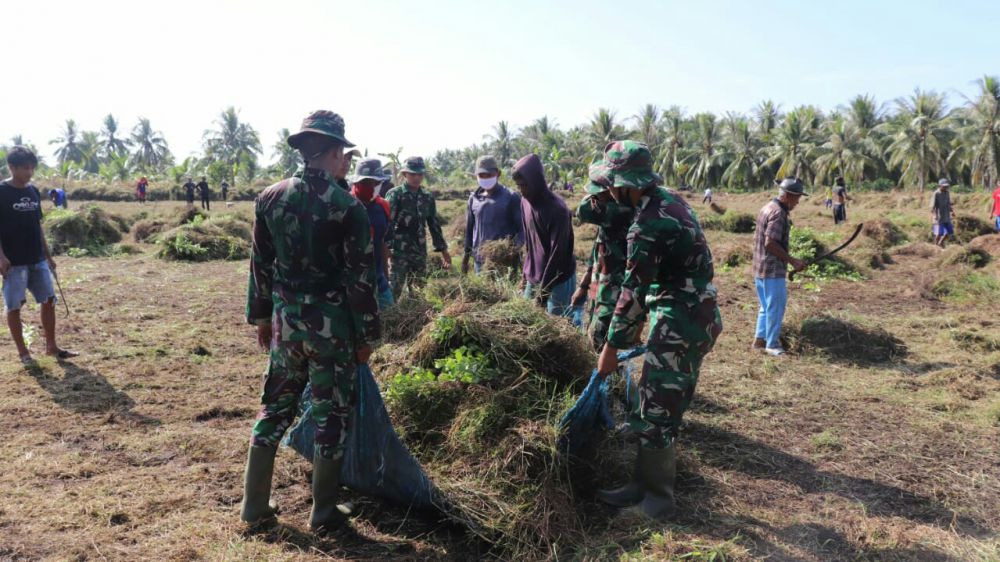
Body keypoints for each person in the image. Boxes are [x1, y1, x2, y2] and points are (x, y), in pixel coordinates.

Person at [240, 110, 380, 535]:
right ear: (335, 152)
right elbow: (361, 279)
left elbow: (259, 264)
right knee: (329, 415)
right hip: (332, 330)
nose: (346, 163)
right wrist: (367, 335)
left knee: (274, 408)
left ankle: (254, 507)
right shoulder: (348, 208)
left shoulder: (270, 197)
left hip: (285, 326)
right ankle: (323, 512)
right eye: (345, 155)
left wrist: (262, 317)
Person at [592, 140, 722, 520]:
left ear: (626, 184)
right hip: (690, 312)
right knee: (655, 403)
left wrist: (610, 350)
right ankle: (640, 484)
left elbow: (631, 293)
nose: (610, 191)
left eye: (613, 184)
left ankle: (658, 502)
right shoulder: (666, 199)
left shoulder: (647, 224)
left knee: (656, 408)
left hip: (681, 319)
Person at [0, 146, 78, 364]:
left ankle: (51, 347)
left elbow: (37, 225)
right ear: (12, 167)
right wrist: (1, 257)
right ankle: (24, 354)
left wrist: (48, 255)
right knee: (14, 306)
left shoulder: (32, 191)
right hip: (13, 263)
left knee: (49, 300)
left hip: (37, 259)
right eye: (25, 168)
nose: (30, 172)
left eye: (32, 167)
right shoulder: (1, 192)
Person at [573, 161, 634, 351]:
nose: (595, 197)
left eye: (598, 192)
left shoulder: (621, 211)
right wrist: (583, 286)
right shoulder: (607, 215)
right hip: (600, 291)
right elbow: (597, 252)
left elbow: (582, 209)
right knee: (595, 342)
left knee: (604, 346)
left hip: (615, 296)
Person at [513, 154, 576, 318]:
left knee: (558, 324)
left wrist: (543, 295)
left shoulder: (557, 210)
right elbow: (529, 241)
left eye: (524, 185)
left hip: (558, 277)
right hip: (535, 274)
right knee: (528, 318)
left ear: (536, 182)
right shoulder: (524, 202)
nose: (521, 190)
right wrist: (525, 275)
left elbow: (557, 254)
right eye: (518, 186)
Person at [751, 177, 808, 356]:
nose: (798, 202)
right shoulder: (778, 213)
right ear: (788, 196)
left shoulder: (767, 207)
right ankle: (772, 345)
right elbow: (770, 243)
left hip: (760, 268)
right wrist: (793, 261)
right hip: (771, 270)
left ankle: (760, 341)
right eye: (797, 197)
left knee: (766, 307)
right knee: (776, 307)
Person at [385, 157, 451, 297]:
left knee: (418, 291)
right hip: (398, 252)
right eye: (412, 174)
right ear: (404, 174)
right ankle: (388, 318)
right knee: (394, 289)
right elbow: (388, 223)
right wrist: (386, 248)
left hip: (419, 252)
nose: (416, 177)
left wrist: (444, 250)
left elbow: (434, 224)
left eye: (420, 174)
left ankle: (416, 318)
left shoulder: (427, 196)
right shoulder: (396, 194)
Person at [461, 155, 524, 274]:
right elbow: (469, 231)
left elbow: (522, 230)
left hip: (504, 262)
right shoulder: (473, 198)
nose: (485, 178)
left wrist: (514, 252)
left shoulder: (511, 197)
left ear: (498, 174)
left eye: (489, 175)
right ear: (476, 176)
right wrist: (465, 259)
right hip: (479, 261)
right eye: (481, 175)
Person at [351, 157, 395, 309]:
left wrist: (386, 277)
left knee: (391, 317)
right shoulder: (344, 205)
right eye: (367, 183)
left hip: (378, 281)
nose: (373, 187)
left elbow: (382, 242)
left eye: (376, 183)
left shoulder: (382, 207)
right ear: (356, 183)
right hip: (351, 286)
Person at [931, 178, 956, 247]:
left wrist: (952, 211)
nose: (945, 187)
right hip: (939, 216)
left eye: (946, 186)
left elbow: (948, 203)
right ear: (940, 186)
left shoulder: (947, 193)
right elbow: (933, 206)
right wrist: (935, 215)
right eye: (944, 186)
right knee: (939, 233)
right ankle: (935, 245)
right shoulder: (936, 193)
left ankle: (940, 243)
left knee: (949, 232)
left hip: (946, 216)